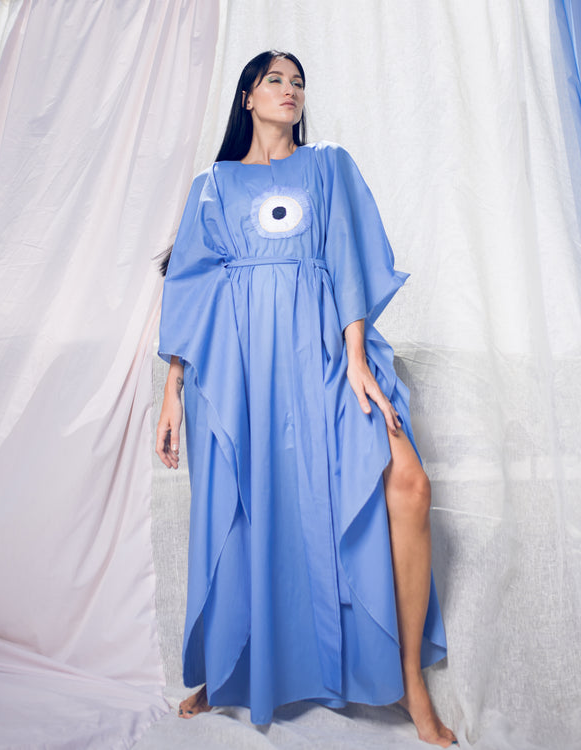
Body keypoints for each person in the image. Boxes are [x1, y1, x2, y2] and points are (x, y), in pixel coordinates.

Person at [156, 50, 457, 747]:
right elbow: (189, 288)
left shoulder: (328, 165)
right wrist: (172, 393)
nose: (289, 90)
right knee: (247, 510)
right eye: (275, 80)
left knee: (408, 485)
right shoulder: (213, 185)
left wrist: (356, 360)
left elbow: (347, 255)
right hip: (241, 371)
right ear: (247, 97)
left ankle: (410, 681)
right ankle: (229, 670)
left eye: (298, 82)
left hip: (327, 358)